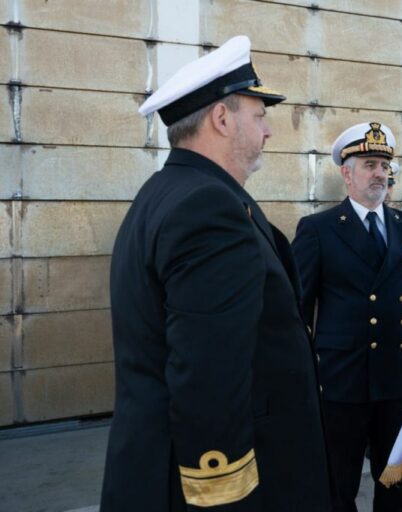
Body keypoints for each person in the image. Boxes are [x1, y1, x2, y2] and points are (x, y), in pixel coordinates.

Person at [101, 36, 332, 511]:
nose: (268, 131)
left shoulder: (167, 192)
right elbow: (207, 378)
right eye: (259, 115)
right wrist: (222, 492)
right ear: (222, 119)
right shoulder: (208, 209)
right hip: (214, 485)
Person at [291, 122, 402, 512]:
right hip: (342, 381)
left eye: (384, 164)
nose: (380, 173)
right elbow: (298, 311)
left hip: (397, 379)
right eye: (369, 164)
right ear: (346, 173)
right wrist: (305, 380)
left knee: (396, 482)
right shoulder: (319, 229)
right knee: (338, 485)